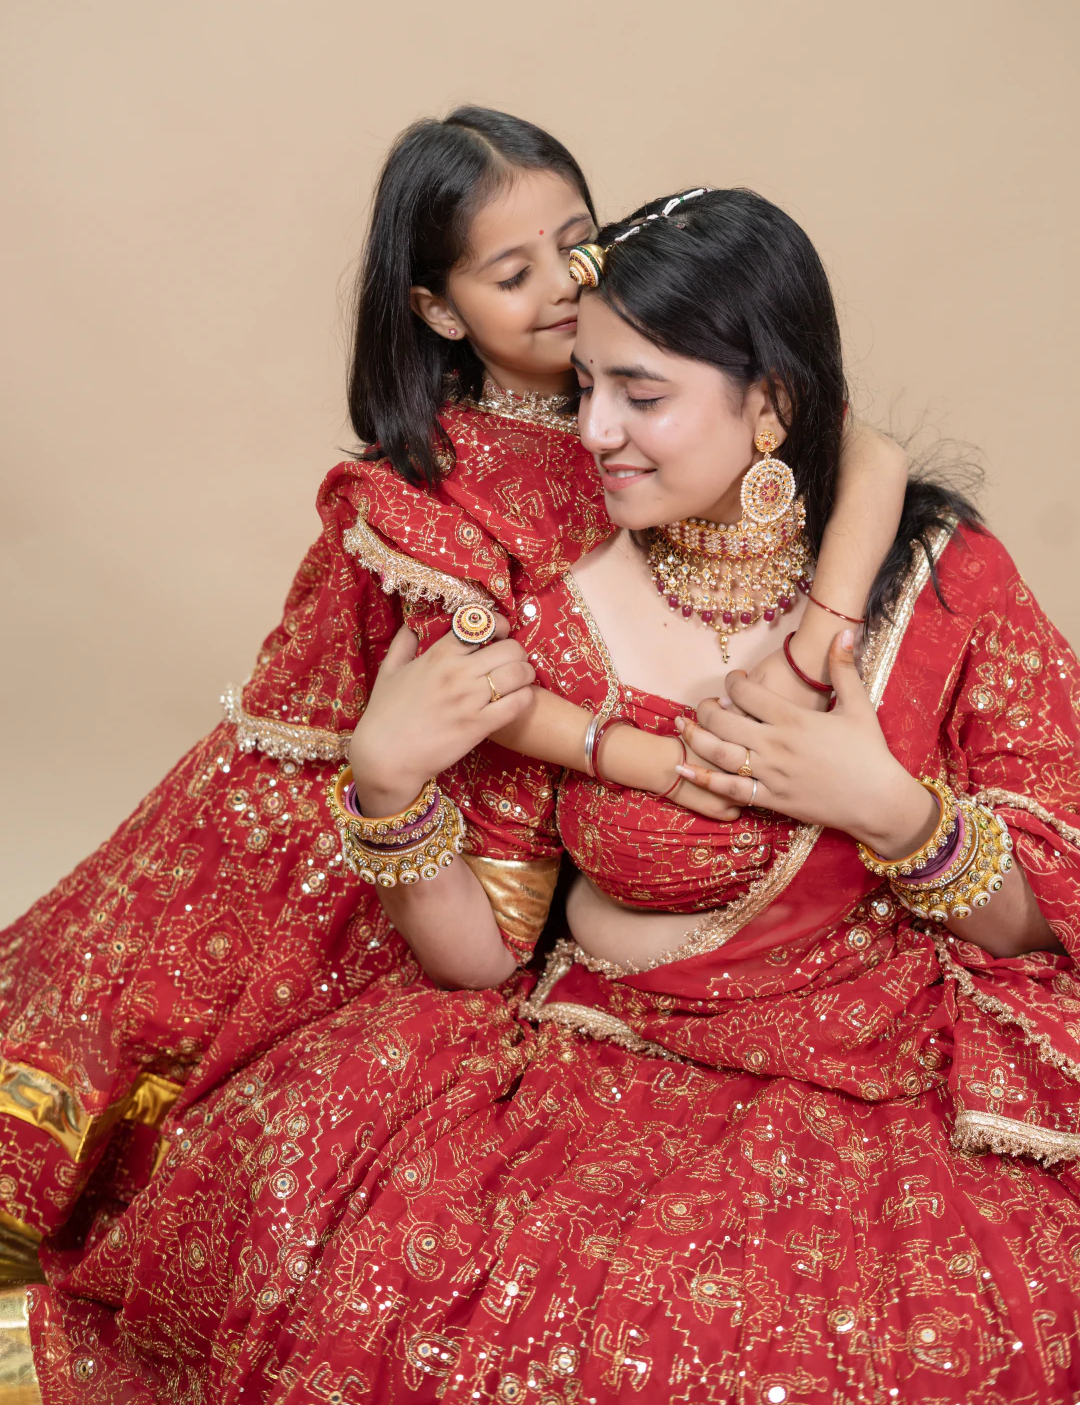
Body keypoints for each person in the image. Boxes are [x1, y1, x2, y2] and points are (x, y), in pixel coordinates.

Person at [14, 186, 1079, 1404]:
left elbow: (1046, 911)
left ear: (771, 404)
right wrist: (388, 783)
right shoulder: (559, 612)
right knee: (346, 1241)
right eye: (585, 390)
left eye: (644, 395)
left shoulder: (939, 589)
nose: (596, 433)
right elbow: (482, 954)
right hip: (596, 1054)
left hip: (879, 1066)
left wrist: (888, 807)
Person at [0, 107, 901, 1259]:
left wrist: (828, 618)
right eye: (512, 274)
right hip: (414, 785)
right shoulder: (442, 475)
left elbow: (854, 437)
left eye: (579, 246)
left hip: (589, 829)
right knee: (209, 1088)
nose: (566, 288)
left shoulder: (651, 377)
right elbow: (486, 687)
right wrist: (663, 762)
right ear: (437, 310)